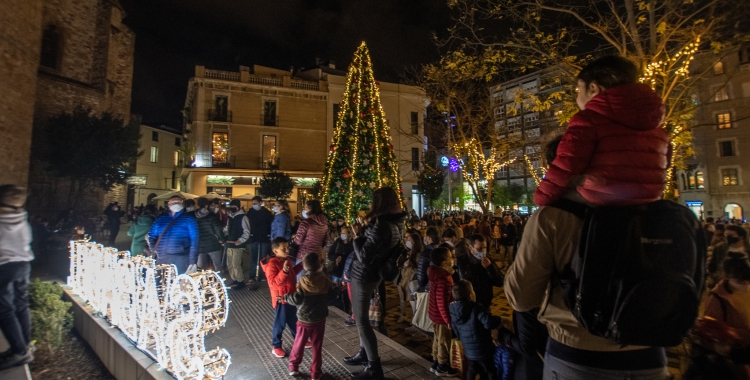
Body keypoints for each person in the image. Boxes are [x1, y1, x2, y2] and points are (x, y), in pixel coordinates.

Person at [506, 134, 671, 379]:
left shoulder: (552, 217)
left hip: (578, 353)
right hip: (650, 353)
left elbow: (520, 297)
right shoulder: (650, 209)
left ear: (558, 167)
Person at [533, 55, 670, 207]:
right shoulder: (656, 125)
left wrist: (542, 198)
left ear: (593, 88)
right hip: (649, 200)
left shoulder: (587, 120)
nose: (577, 97)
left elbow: (566, 164)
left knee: (554, 211)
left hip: (602, 201)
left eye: (579, 90)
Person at [343, 187, 406, 380]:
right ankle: (364, 353)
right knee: (362, 320)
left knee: (362, 321)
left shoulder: (382, 226)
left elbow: (363, 256)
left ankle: (373, 367)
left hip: (364, 276)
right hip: (373, 275)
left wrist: (358, 235)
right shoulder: (396, 222)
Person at [693, 252, 750, 378]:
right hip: (731, 365)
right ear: (727, 276)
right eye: (739, 281)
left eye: (747, 280)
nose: (745, 285)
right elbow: (709, 336)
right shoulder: (717, 299)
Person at [283, 253, 336, 380]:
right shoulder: (325, 280)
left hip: (304, 319)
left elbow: (297, 299)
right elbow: (331, 296)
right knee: (317, 347)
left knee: (299, 343)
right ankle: (315, 373)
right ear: (320, 265)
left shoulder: (303, 281)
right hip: (319, 319)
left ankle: (294, 367)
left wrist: (286, 297)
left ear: (305, 267)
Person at [0, 185, 35, 370]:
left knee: (5, 310)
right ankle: (24, 344)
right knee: (21, 304)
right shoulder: (21, 218)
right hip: (23, 265)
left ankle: (19, 352)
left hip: (4, 266)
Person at [260, 237, 304, 359]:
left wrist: (301, 265)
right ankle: (276, 345)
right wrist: (284, 272)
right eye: (283, 248)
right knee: (280, 324)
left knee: (294, 320)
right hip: (281, 299)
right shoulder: (272, 264)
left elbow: (292, 274)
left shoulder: (286, 259)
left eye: (287, 247)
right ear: (275, 250)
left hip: (290, 296)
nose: (287, 250)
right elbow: (273, 283)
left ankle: (300, 340)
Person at [450, 280, 502, 380]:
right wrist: (498, 319)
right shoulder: (476, 308)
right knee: (490, 370)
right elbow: (488, 323)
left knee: (472, 369)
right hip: (483, 349)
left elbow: (456, 330)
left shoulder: (453, 310)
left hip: (469, 350)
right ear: (471, 295)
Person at [146, 196, 199, 274]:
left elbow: (195, 240)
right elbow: (152, 235)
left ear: (182, 204)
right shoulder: (160, 219)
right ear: (168, 204)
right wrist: (154, 249)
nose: (176, 204)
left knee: (179, 283)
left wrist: (192, 261)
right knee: (162, 282)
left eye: (178, 202)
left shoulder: (189, 219)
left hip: (181, 258)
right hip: (162, 257)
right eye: (174, 202)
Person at [428, 247, 459, 376]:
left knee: (437, 339)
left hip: (434, 313)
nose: (452, 259)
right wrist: (448, 320)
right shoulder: (444, 278)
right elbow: (442, 302)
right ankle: (442, 366)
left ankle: (435, 362)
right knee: (443, 342)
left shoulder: (434, 272)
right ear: (444, 262)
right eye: (450, 257)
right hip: (441, 316)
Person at [456, 234, 504, 311]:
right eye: (479, 249)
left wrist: (490, 267)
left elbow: (500, 282)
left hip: (485, 304)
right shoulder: (462, 261)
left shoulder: (488, 260)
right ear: (470, 247)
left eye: (485, 248)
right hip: (469, 306)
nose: (483, 251)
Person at [497, 308, 549, 380]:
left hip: (531, 367)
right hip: (544, 358)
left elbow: (526, 347)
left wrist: (502, 333)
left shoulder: (524, 309)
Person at [292, 200, 328, 273]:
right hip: (317, 256)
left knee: (300, 280)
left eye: (306, 208)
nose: (304, 210)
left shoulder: (306, 222)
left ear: (311, 209)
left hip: (304, 256)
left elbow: (298, 240)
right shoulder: (325, 224)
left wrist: (293, 241)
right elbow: (325, 241)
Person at [246, 196, 274, 285]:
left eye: (255, 203)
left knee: (263, 258)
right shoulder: (250, 213)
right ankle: (252, 276)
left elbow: (270, 224)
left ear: (260, 203)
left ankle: (263, 275)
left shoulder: (266, 213)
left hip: (264, 238)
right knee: (253, 258)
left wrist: (269, 235)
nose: (253, 205)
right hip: (253, 237)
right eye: (253, 203)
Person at [193, 198, 226, 272]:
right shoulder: (211, 215)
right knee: (218, 265)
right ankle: (218, 281)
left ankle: (203, 282)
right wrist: (222, 239)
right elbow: (218, 229)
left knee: (201, 267)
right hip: (212, 244)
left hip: (200, 244)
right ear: (207, 205)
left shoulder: (194, 215)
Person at [224, 199, 251, 290]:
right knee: (229, 264)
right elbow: (226, 229)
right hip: (229, 243)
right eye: (230, 207)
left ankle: (240, 281)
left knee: (236, 264)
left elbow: (246, 232)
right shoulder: (230, 217)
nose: (232, 208)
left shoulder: (243, 217)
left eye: (233, 207)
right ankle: (235, 279)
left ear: (238, 207)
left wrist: (240, 240)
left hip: (238, 245)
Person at [396, 228, 421, 323]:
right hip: (403, 278)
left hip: (412, 280)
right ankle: (403, 315)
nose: (407, 241)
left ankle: (415, 322)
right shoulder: (404, 250)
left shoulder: (418, 254)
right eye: (406, 238)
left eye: (409, 239)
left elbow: (417, 267)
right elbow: (399, 262)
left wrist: (409, 264)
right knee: (403, 297)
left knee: (413, 301)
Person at [416, 226, 439, 292]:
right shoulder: (443, 249)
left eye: (425, 236)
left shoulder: (426, 253)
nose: (424, 238)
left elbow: (421, 277)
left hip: (428, 287)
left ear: (429, 238)